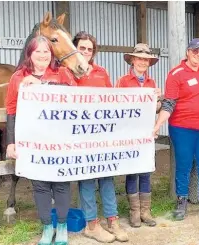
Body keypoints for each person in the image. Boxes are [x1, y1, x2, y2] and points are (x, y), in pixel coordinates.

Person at [6, 36, 76, 245]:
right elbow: (11, 110)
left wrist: (41, 84)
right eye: (38, 52)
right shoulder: (18, 77)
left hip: (61, 141)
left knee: (62, 184)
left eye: (46, 51)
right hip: (33, 142)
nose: (43, 56)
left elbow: (74, 98)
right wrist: (11, 142)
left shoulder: (62, 73)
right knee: (40, 186)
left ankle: (61, 226)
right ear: (30, 54)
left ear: (51, 54)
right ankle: (47, 227)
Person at [153, 38, 199, 223]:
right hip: (182, 128)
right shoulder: (176, 74)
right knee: (183, 164)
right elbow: (169, 103)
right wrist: (158, 124)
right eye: (195, 51)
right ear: (187, 52)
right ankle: (181, 201)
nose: (198, 55)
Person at [72, 31, 128, 243]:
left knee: (106, 177)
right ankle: (91, 224)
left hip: (102, 135)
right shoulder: (68, 73)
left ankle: (113, 220)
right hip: (80, 135)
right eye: (82, 48)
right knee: (86, 179)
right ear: (75, 48)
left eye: (89, 49)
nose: (86, 52)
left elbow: (111, 101)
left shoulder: (101, 72)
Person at [115, 43, 161, 228]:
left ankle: (145, 211)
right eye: (139, 58)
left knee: (145, 171)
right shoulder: (122, 81)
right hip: (129, 133)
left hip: (146, 133)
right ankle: (134, 211)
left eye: (146, 59)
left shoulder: (152, 83)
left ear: (149, 62)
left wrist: (158, 99)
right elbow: (115, 106)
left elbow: (155, 109)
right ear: (133, 60)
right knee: (132, 171)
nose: (142, 62)